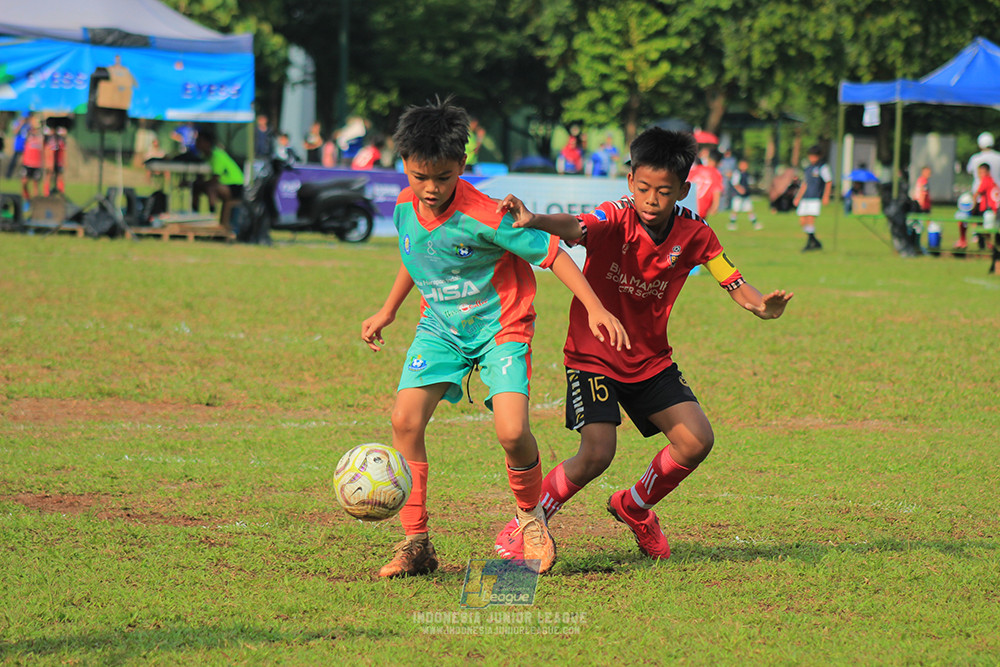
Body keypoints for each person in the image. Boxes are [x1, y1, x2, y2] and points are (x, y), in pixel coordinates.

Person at [492, 128, 792, 562]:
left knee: (696, 441)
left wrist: (759, 306)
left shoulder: (696, 233)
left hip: (650, 359)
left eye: (664, 192)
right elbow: (575, 226)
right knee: (597, 452)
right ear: (631, 182)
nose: (652, 199)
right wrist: (534, 219)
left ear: (683, 191)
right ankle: (527, 522)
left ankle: (634, 506)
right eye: (644, 188)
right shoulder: (615, 216)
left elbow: (732, 278)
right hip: (593, 353)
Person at [360, 98, 628, 579]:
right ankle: (416, 543)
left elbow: (554, 255)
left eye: (443, 177)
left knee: (511, 432)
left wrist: (595, 307)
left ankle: (531, 519)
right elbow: (415, 253)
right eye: (420, 177)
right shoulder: (405, 205)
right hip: (440, 330)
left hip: (500, 329)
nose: (431, 188)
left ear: (462, 166)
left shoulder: (487, 214)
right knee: (404, 420)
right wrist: (387, 309)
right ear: (404, 165)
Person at [192, 129, 243, 227]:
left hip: (235, 186)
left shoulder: (217, 155)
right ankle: (195, 214)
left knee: (210, 187)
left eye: (199, 141)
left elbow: (215, 178)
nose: (196, 144)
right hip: (225, 185)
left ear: (207, 143)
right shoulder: (205, 156)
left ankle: (212, 215)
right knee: (197, 186)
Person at [793, 145, 832, 251]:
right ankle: (815, 241)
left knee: (810, 220)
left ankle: (810, 244)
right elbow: (805, 184)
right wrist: (798, 197)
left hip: (815, 198)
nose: (812, 158)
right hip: (805, 198)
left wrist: (826, 196)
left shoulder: (822, 167)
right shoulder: (808, 168)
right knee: (802, 221)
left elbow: (828, 182)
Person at [967, 163, 998, 251]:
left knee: (980, 228)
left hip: (986, 209)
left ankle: (982, 247)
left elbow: (976, 194)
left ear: (988, 172)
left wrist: (972, 207)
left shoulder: (986, 181)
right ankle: (989, 246)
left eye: (982, 172)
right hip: (993, 210)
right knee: (988, 230)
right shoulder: (992, 181)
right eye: (979, 173)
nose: (980, 175)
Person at [687, 148, 723, 220]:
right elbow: (717, 190)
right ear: (719, 163)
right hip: (702, 208)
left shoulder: (696, 169)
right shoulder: (715, 173)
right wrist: (715, 206)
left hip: (688, 205)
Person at [728, 158, 762, 230]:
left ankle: (755, 223)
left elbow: (750, 182)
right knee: (735, 210)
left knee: (749, 210)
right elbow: (734, 183)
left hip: (746, 195)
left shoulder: (747, 174)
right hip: (738, 195)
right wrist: (740, 189)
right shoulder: (737, 173)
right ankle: (732, 223)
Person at [19, 116, 43, 203]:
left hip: (37, 164)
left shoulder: (42, 135)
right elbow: (17, 132)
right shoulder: (27, 133)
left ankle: (36, 204)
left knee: (35, 184)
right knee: (24, 183)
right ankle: (26, 200)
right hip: (27, 163)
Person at [6, 114, 30, 179]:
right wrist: (21, 124)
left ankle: (24, 176)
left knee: (25, 163)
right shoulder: (17, 123)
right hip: (18, 146)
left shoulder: (29, 125)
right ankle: (8, 175)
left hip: (26, 147)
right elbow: (15, 132)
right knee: (13, 162)